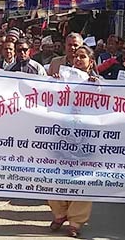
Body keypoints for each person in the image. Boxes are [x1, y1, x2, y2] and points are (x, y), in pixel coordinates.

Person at [48, 44, 98, 237]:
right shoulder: (63, 78)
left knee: (82, 179)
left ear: (91, 61)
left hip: (86, 138)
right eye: (76, 56)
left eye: (82, 56)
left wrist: (97, 87)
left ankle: (76, 221)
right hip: (62, 135)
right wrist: (53, 83)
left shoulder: (98, 82)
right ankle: (60, 213)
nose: (78, 59)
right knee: (54, 175)